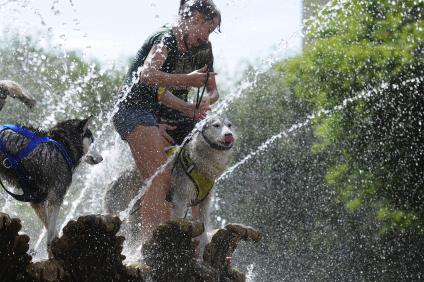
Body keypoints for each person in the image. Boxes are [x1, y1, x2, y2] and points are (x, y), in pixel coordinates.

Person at [113, 0, 221, 242]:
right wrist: (188, 81)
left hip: (153, 114)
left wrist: (193, 106)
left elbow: (205, 89)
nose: (207, 37)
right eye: (208, 30)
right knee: (159, 178)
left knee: (190, 177)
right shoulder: (166, 39)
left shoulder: (196, 47)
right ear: (194, 19)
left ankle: (192, 243)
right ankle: (146, 247)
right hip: (133, 110)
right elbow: (147, 75)